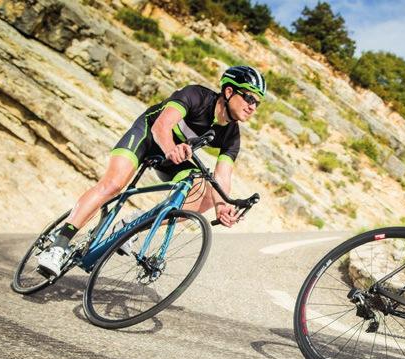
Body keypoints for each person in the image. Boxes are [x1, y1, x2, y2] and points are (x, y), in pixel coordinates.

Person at [37, 65, 267, 277]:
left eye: (257, 103)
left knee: (204, 194)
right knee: (114, 185)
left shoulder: (232, 135)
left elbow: (222, 175)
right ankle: (58, 245)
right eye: (248, 97)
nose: (252, 107)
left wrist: (222, 206)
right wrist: (170, 149)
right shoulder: (196, 96)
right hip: (147, 137)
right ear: (228, 92)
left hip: (175, 156)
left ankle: (134, 224)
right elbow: (161, 126)